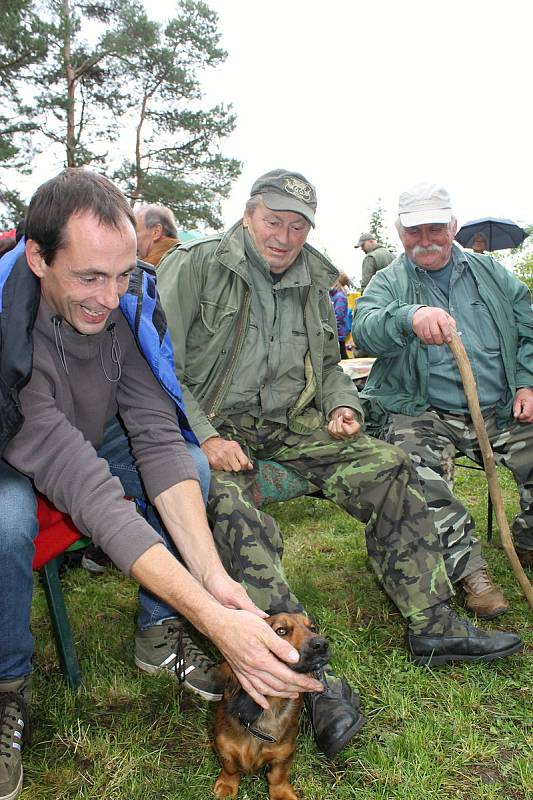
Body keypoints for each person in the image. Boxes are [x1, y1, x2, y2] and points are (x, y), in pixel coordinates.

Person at [157, 167, 522, 739]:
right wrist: (204, 435)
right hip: (208, 427)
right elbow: (158, 362)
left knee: (390, 466)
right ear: (249, 213)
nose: (284, 235)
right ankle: (307, 677)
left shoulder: (312, 276)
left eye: (298, 225)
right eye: (273, 221)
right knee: (230, 512)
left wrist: (340, 404)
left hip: (290, 423)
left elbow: (329, 365)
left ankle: (433, 622)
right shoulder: (195, 264)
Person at [0, 169, 325, 800]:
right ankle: (7, 685)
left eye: (122, 273)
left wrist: (215, 580)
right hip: (13, 445)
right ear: (38, 258)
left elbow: (153, 431)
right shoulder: (7, 325)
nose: (109, 295)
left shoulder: (130, 304)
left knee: (190, 464)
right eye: (89, 277)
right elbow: (84, 485)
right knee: (6, 520)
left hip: (87, 436)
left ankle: (158, 633)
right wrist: (209, 616)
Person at [353, 182, 533, 618]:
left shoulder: (490, 273)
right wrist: (408, 316)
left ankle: (527, 540)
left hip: (500, 406)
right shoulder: (390, 280)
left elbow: (528, 325)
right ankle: (470, 570)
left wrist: (527, 383)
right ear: (400, 234)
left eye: (436, 228)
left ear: (453, 225)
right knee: (413, 467)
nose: (426, 240)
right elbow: (365, 329)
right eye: (415, 231)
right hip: (423, 410)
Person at [329, 271, 352, 359]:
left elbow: (338, 317)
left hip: (338, 335)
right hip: (335, 333)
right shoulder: (332, 295)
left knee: (341, 357)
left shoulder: (340, 297)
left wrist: (334, 332)